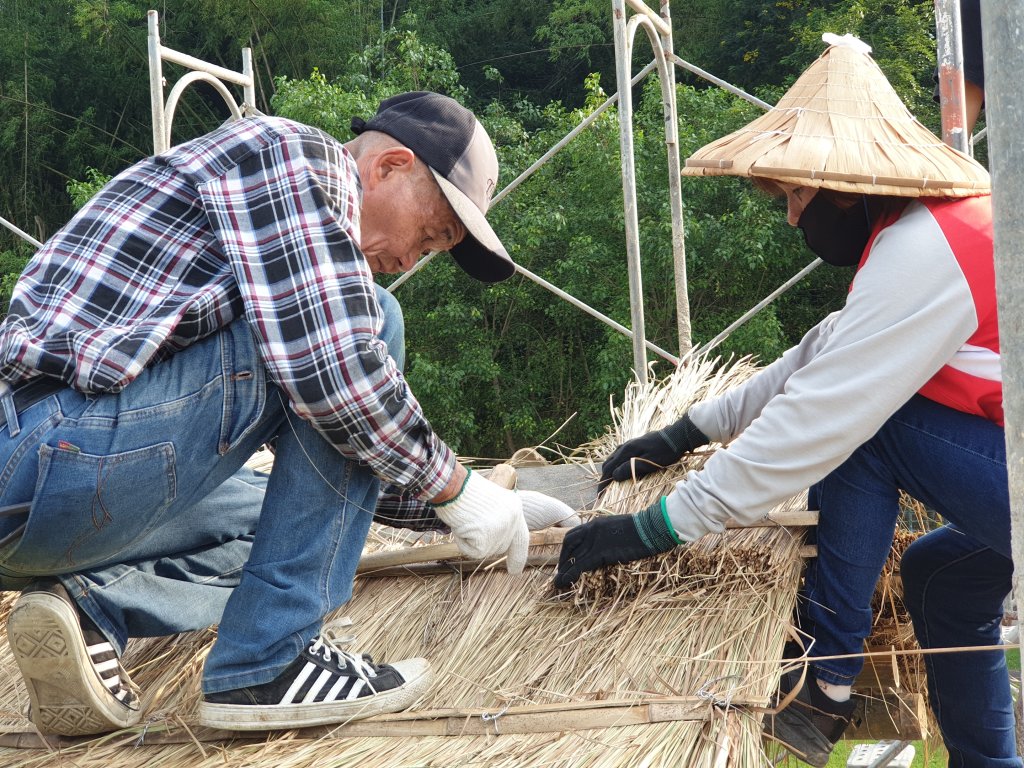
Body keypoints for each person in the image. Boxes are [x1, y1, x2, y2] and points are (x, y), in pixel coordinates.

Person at [0, 91, 578, 736]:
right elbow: (330, 373)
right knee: (367, 323)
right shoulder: (290, 154)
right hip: (43, 450)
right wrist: (458, 488)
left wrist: (441, 509)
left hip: (46, 490)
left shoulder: (270, 205)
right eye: (430, 234)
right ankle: (268, 663)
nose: (412, 259)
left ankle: (89, 607)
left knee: (261, 516)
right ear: (391, 164)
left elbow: (318, 496)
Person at [556, 36, 1019, 768]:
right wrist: (686, 431)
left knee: (870, 426)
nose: (791, 216)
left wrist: (657, 529)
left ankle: (824, 682)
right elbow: (819, 353)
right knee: (940, 575)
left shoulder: (929, 248)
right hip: (1008, 476)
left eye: (797, 194)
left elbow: (821, 414)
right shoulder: (936, 232)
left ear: (847, 182)